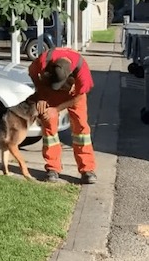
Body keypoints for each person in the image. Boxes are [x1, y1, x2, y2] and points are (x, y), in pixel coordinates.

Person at [27, 47, 97, 184]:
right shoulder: (43, 60)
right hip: (49, 92)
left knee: (81, 128)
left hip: (74, 95)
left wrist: (57, 109)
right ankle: (52, 168)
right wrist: (41, 96)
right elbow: (32, 72)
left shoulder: (82, 70)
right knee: (48, 123)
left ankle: (87, 169)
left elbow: (80, 95)